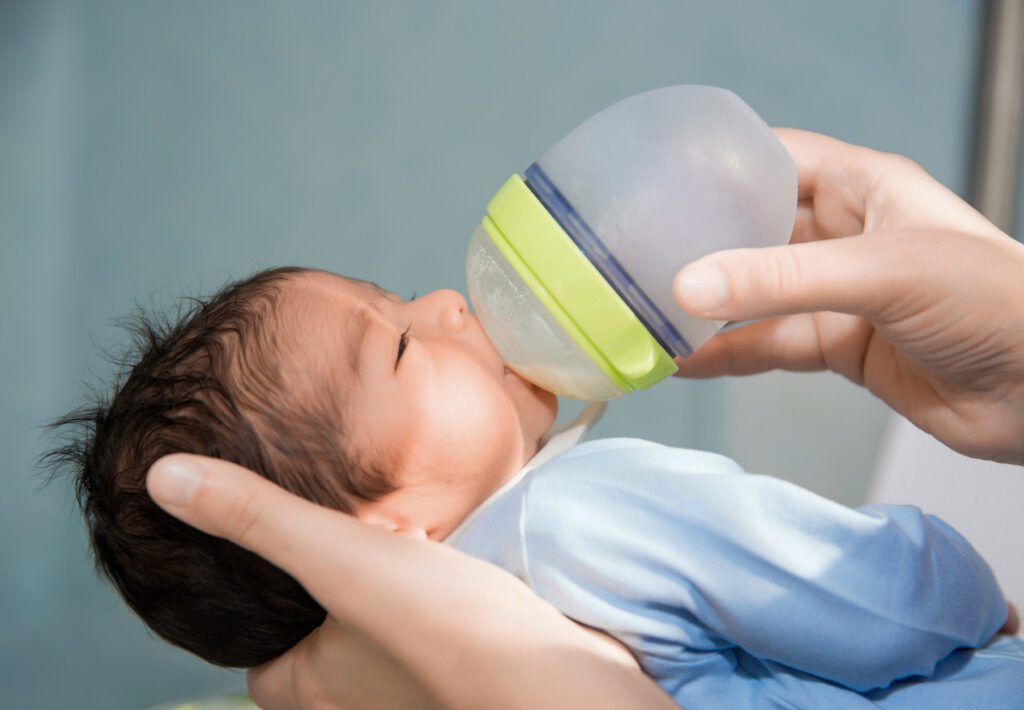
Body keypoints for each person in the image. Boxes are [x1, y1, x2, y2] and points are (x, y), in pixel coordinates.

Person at [142, 128, 1024, 710]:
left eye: (402, 300)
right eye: (402, 349)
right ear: (381, 531)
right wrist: (971, 599)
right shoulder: (577, 511)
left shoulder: (416, 669)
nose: (448, 301)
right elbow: (857, 593)